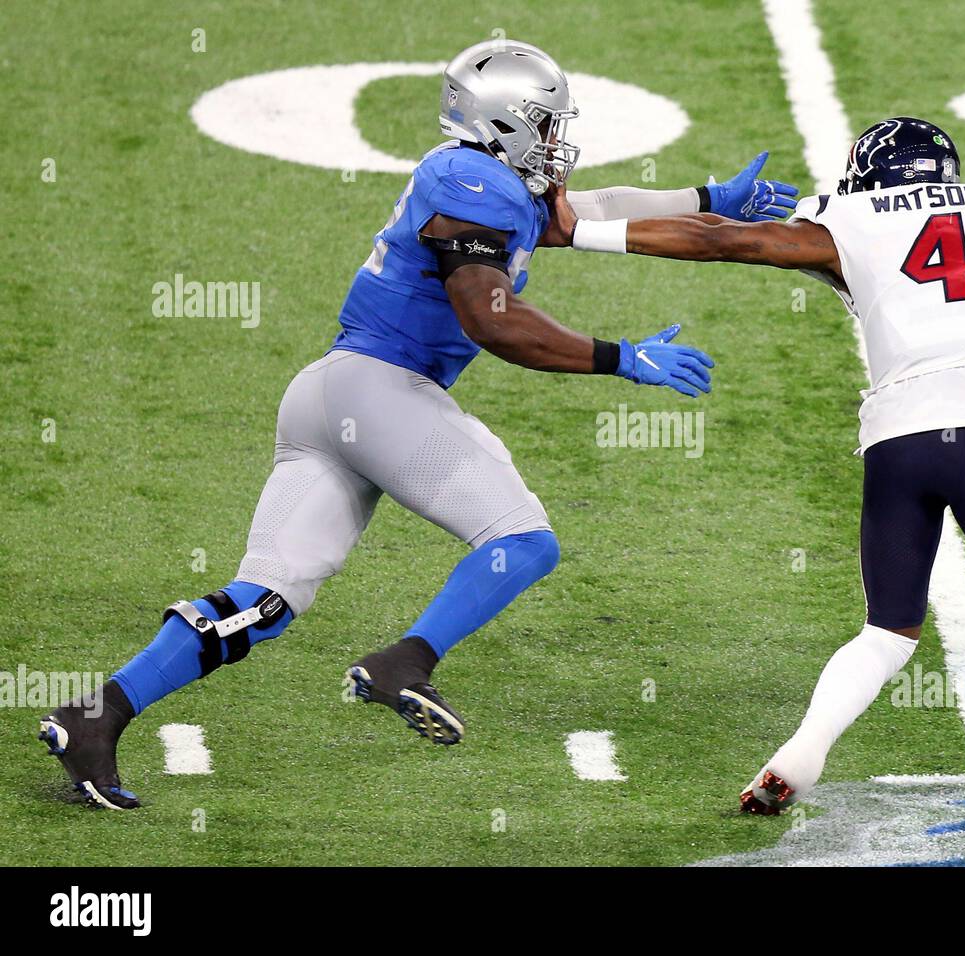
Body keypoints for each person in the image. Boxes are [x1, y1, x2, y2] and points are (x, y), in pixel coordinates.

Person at [39, 38, 798, 810]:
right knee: (523, 540)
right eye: (543, 121)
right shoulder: (470, 180)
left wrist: (703, 199)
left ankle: (93, 718)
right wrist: (618, 358)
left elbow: (585, 215)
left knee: (264, 602)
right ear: (502, 119)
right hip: (379, 389)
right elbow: (491, 317)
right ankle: (406, 661)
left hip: (332, 396)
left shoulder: (486, 183)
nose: (555, 139)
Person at [551, 115, 965, 812]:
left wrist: (578, 229)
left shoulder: (843, 219)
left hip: (895, 438)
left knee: (887, 629)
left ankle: (803, 751)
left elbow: (719, 241)